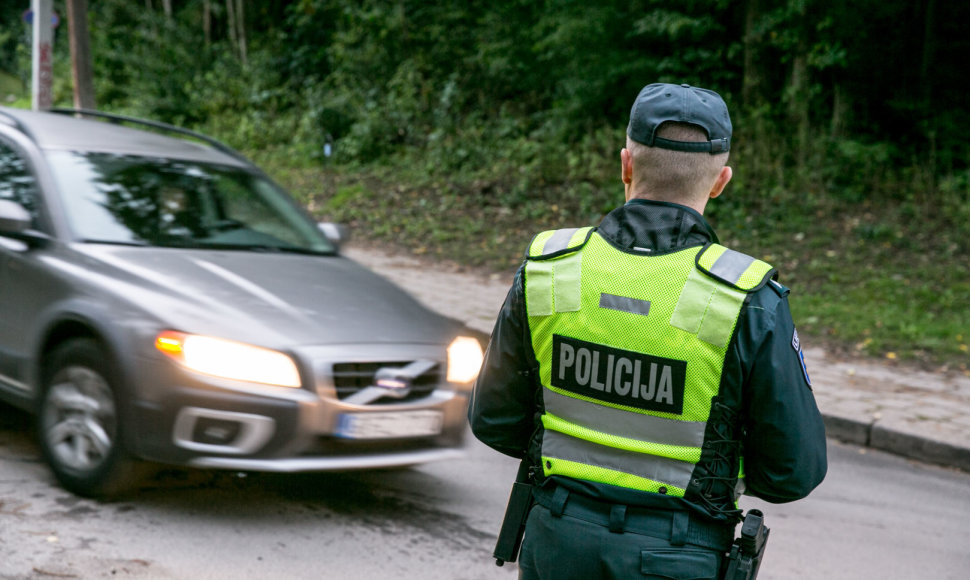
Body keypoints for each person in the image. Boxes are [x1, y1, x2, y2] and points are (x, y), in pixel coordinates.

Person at [468, 82, 827, 579]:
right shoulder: (746, 298)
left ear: (626, 165)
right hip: (679, 554)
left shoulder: (550, 268)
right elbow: (792, 472)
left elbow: (493, 421)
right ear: (721, 180)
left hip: (556, 541)